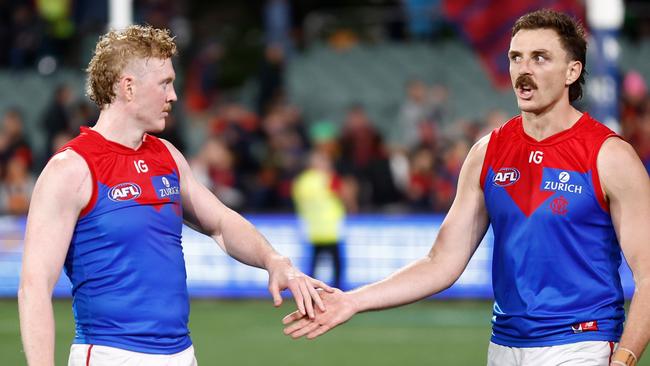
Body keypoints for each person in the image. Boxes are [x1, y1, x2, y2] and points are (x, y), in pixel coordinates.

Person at [283, 9, 650, 366]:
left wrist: (624, 358)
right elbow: (441, 262)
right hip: (504, 345)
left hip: (581, 344)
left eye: (540, 58)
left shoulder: (610, 156)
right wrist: (352, 301)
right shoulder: (486, 153)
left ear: (573, 71)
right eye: (516, 57)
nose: (524, 70)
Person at [18, 25, 332, 366]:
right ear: (128, 87)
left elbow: (221, 223)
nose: (174, 96)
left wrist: (274, 261)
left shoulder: (166, 155)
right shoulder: (70, 169)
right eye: (165, 83)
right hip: (112, 355)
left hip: (182, 355)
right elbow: (35, 286)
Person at [292, 150, 346, 289]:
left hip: (312, 228)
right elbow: (343, 195)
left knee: (314, 263)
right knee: (336, 262)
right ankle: (337, 290)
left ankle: (309, 289)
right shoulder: (328, 178)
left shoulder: (302, 181)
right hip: (330, 228)